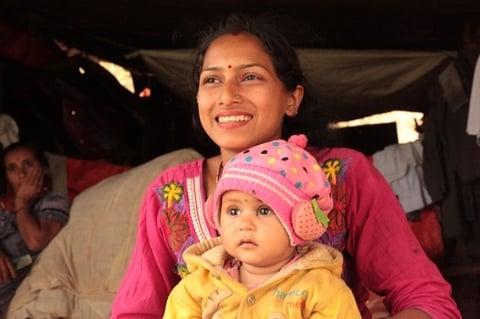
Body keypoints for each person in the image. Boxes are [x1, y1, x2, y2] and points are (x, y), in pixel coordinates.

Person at [111, 14, 461, 318]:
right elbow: (136, 311)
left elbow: (424, 298)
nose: (227, 94)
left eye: (250, 77)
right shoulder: (169, 195)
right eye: (212, 79)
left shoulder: (342, 177)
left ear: (292, 99)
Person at [163, 135, 361, 318]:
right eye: (233, 211)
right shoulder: (195, 288)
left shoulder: (322, 290)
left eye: (264, 211)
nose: (244, 224)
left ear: (299, 224)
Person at [0, 141, 70, 317]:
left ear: (44, 169)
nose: (22, 174)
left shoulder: (53, 201)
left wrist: (21, 202)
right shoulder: (2, 207)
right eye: (12, 169)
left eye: (28, 164)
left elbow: (35, 241)